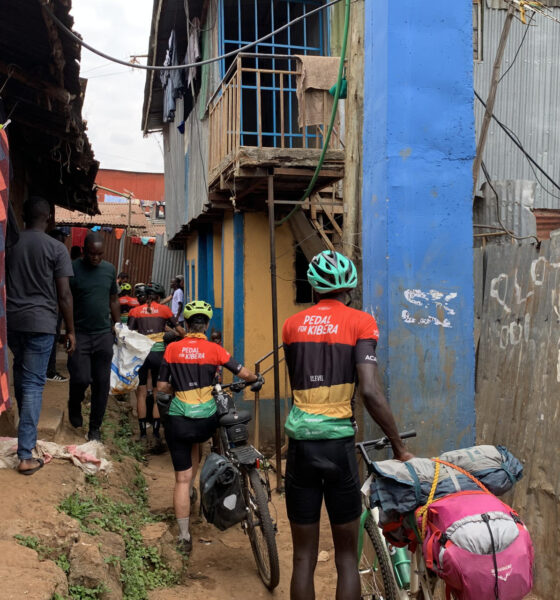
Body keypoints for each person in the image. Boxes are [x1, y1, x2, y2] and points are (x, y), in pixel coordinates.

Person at [282, 250, 414, 600]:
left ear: (314, 287)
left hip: (300, 447)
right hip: (338, 447)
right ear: (350, 287)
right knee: (345, 558)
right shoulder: (361, 322)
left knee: (303, 557)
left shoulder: (292, 326)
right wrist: (399, 446)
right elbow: (370, 391)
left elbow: (295, 382)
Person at [156, 300, 263, 554]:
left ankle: (184, 537)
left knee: (181, 480)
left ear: (186, 324)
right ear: (206, 325)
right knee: (203, 441)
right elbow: (244, 373)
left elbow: (161, 388)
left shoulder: (172, 350)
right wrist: (256, 378)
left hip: (179, 420)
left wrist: (177, 388)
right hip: (206, 422)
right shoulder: (215, 350)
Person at [6, 197, 75, 474]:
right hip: (42, 324)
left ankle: (26, 441)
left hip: (12, 321)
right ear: (48, 218)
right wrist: (70, 330)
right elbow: (65, 295)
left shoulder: (11, 245)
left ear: (23, 215)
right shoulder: (56, 248)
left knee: (23, 377)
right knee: (34, 384)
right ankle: (25, 454)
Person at [67, 232, 120, 441]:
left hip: (103, 334)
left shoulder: (109, 270)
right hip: (80, 334)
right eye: (91, 254)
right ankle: (74, 402)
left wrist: (118, 326)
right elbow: (65, 299)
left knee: (101, 382)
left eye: (99, 254)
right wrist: (67, 330)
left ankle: (95, 428)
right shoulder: (73, 269)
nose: (95, 258)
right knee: (80, 378)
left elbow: (114, 299)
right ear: (84, 251)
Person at [128, 282, 184, 450]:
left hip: (142, 355)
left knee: (141, 393)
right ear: (159, 297)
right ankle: (157, 433)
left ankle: (143, 433)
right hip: (159, 355)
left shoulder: (135, 311)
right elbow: (180, 331)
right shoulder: (165, 310)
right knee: (158, 394)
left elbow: (129, 334)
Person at [46, 227, 70, 382]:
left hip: (49, 307)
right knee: (50, 340)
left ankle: (47, 370)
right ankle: (49, 371)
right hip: (52, 308)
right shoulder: (57, 258)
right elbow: (64, 293)